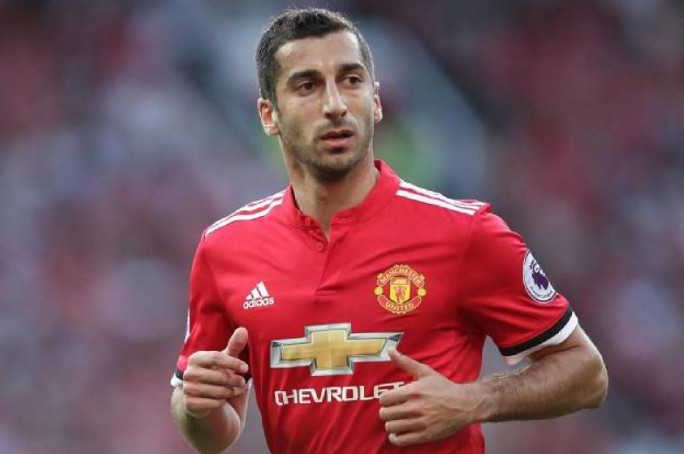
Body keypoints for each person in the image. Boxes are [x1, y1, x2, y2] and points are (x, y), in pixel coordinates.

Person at [170, 8, 608, 453]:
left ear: (376, 101)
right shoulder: (224, 249)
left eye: (351, 80)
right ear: (269, 116)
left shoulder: (464, 232)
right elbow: (213, 435)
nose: (335, 105)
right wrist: (197, 407)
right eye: (307, 86)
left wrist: (472, 400)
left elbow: (587, 372)